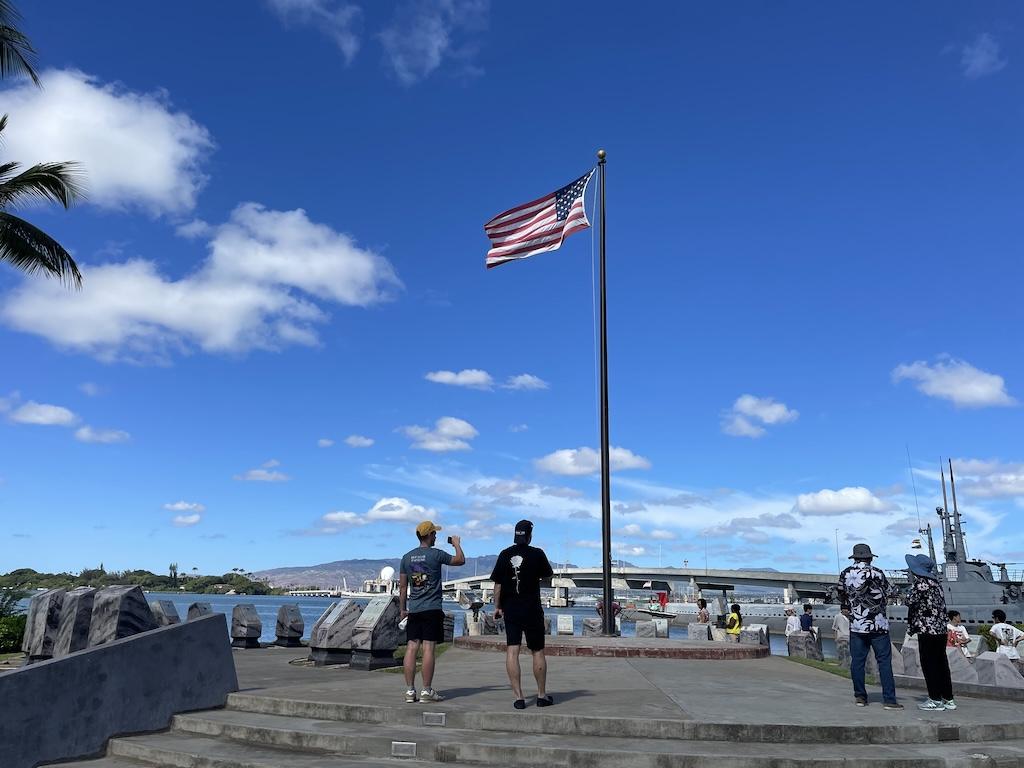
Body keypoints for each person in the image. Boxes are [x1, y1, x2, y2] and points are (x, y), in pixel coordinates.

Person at [399, 520, 465, 703]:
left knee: (412, 647)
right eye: (434, 533)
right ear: (428, 535)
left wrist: (403, 609)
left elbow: (403, 588)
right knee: (428, 647)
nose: (436, 536)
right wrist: (457, 544)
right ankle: (426, 691)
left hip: (414, 610)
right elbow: (460, 560)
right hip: (432, 608)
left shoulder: (406, 557)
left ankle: (410, 691)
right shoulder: (436, 555)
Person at [490, 519, 554, 709]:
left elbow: (498, 584)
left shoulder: (504, 554)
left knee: (512, 650)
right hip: (532, 608)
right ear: (530, 535)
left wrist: (497, 606)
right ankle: (541, 696)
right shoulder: (537, 554)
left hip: (511, 609)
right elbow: (548, 576)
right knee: (537, 651)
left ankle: (519, 698)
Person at [836, 543, 903, 710]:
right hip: (878, 625)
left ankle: (860, 697)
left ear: (855, 557)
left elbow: (840, 594)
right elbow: (891, 592)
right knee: (884, 662)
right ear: (870, 557)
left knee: (857, 662)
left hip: (857, 625)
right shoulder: (878, 573)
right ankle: (889, 700)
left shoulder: (846, 573)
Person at [905, 554, 955, 711]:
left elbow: (909, 601)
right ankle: (948, 698)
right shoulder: (936, 583)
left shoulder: (921, 584)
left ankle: (934, 699)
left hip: (927, 630)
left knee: (929, 664)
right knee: (941, 663)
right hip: (941, 630)